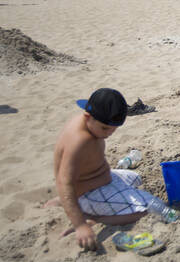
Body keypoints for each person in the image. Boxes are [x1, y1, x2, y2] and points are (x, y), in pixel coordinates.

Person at [43, 88, 172, 251]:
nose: (109, 133)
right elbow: (64, 183)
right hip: (89, 193)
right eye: (105, 128)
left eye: (114, 129)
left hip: (102, 180)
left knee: (136, 177)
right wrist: (80, 225)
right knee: (151, 209)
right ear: (87, 117)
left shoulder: (90, 124)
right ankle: (96, 218)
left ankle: (66, 203)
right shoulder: (79, 141)